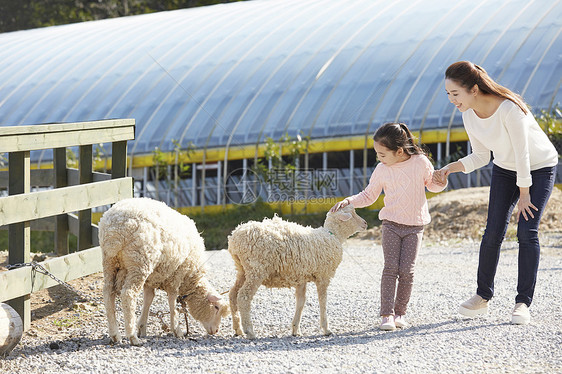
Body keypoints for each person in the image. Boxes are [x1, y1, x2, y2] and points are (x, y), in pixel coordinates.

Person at [434, 61, 558, 325]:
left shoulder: (509, 109)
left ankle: (523, 303)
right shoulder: (468, 114)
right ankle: (482, 297)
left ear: (474, 89)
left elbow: (523, 154)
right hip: (504, 168)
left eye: (455, 94)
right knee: (492, 232)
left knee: (527, 232)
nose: (452, 100)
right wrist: (450, 168)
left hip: (538, 168)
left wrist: (525, 194)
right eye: (448, 95)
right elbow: (481, 156)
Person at [330, 122, 447, 331]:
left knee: (407, 271)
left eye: (382, 154)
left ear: (399, 151)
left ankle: (400, 313)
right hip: (391, 224)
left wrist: (442, 179)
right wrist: (349, 201)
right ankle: (387, 315)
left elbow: (432, 185)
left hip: (415, 226)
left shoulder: (420, 162)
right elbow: (368, 195)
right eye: (377, 154)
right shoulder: (382, 169)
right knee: (390, 268)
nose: (379, 158)